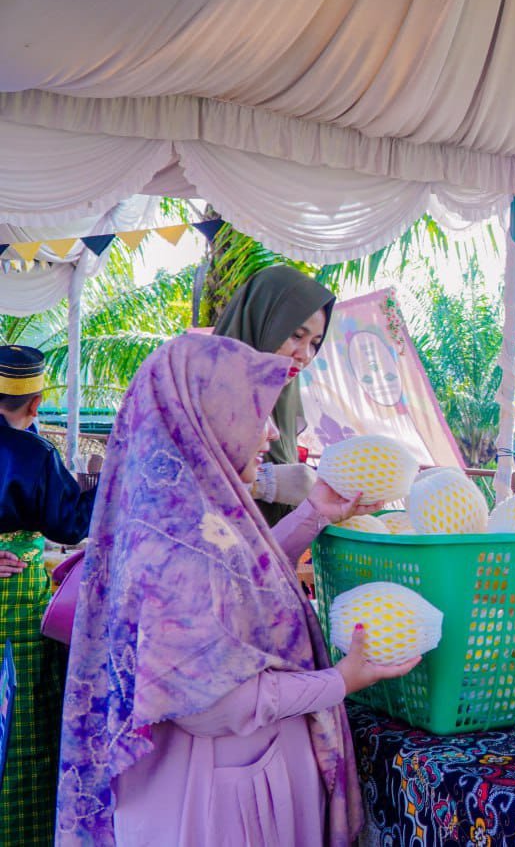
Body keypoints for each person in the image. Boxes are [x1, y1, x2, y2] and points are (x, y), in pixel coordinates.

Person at [56, 334, 417, 845]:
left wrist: (314, 513)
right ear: (209, 416)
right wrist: (339, 681)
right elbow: (215, 705)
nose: (271, 432)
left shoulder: (185, 507)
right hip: (221, 801)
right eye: (257, 413)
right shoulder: (175, 541)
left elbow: (241, 583)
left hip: (232, 779)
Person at [0, 344, 97, 846]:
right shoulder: (34, 454)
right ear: (36, 402)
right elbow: (72, 524)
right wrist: (104, 483)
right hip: (15, 599)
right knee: (20, 720)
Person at [214, 264, 337, 524]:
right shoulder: (204, 389)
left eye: (314, 343)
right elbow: (172, 481)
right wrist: (261, 483)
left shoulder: (281, 402)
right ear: (260, 323)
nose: (304, 355)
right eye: (296, 335)